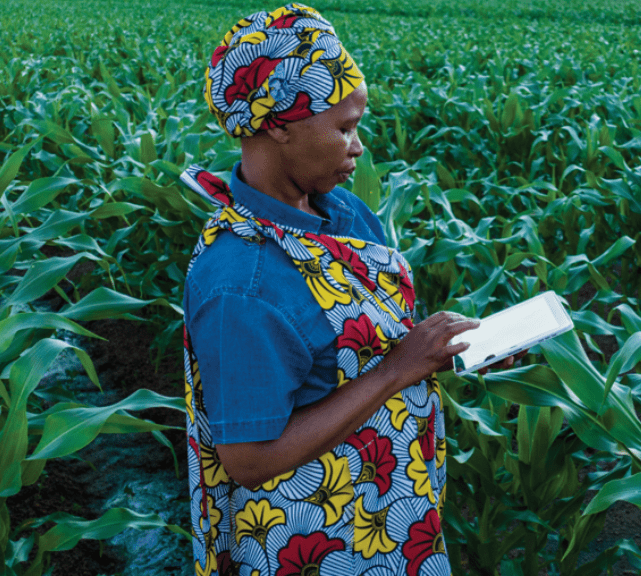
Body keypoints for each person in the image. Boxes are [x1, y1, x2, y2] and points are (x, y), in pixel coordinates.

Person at [181, 5, 519, 575]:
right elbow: (249, 460)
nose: (358, 147)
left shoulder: (340, 211)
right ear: (278, 123)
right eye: (344, 128)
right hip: (312, 544)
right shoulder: (242, 283)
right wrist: (398, 370)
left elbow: (368, 341)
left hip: (391, 509)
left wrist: (451, 348)